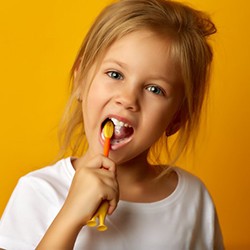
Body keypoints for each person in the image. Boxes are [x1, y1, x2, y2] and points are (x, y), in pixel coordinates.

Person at [0, 0, 224, 249]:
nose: (128, 99)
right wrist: (70, 216)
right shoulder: (39, 192)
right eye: (115, 74)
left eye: (154, 89)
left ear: (176, 119)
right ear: (81, 81)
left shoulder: (193, 200)